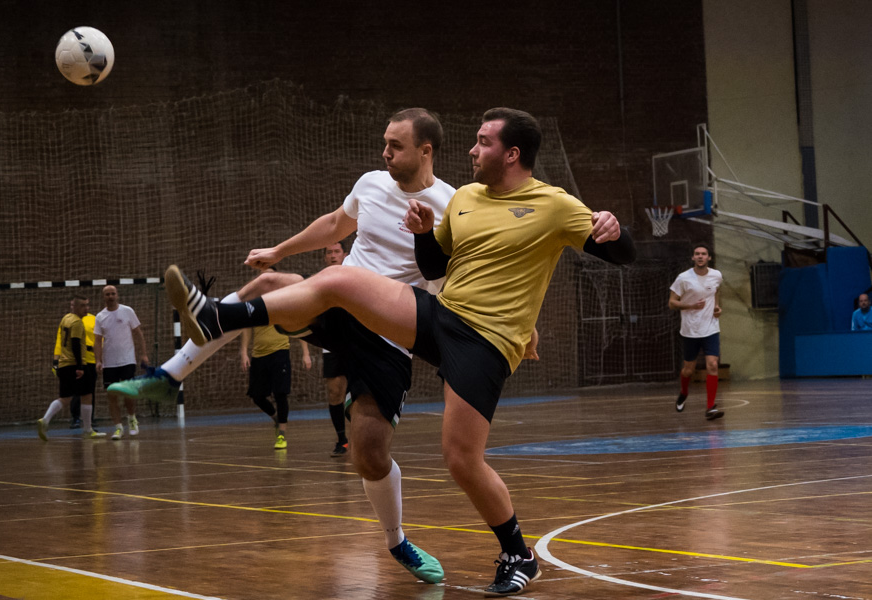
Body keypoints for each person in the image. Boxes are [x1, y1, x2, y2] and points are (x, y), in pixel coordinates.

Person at [165, 107, 634, 596]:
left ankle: (518, 553)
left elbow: (623, 254)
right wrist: (424, 232)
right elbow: (433, 266)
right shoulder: (466, 198)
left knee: (461, 459)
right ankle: (217, 316)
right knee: (340, 279)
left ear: (512, 154)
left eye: (483, 142)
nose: (472, 150)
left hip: (486, 341)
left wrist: (613, 229)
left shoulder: (553, 204)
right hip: (441, 315)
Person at [111, 108, 455, 585]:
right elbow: (334, 223)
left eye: (395, 146)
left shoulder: (451, 205)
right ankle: (170, 375)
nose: (385, 153)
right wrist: (279, 251)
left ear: (425, 150)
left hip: (389, 333)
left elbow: (463, 275)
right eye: (384, 142)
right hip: (339, 303)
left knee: (369, 455)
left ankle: (396, 540)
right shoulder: (372, 183)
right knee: (272, 282)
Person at [240, 275, 313, 450]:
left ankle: (282, 434)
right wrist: (243, 351)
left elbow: (298, 325)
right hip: (258, 355)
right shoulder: (254, 303)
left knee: (280, 394)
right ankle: (276, 418)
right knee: (257, 396)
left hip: (280, 352)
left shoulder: (283, 300)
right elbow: (247, 328)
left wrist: (306, 353)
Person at [38, 295, 107, 440]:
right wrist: (80, 366)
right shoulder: (77, 323)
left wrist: (57, 362)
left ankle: (45, 420)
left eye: (87, 305)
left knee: (65, 397)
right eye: (82, 305)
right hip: (77, 364)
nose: (86, 308)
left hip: (65, 364)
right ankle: (87, 429)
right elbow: (75, 344)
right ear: (73, 306)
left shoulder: (66, 319)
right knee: (87, 395)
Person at [669, 243, 724, 420]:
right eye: (697, 253)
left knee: (712, 365)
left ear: (709, 257)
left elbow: (716, 291)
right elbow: (672, 303)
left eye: (704, 253)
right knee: (688, 370)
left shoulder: (716, 275)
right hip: (690, 330)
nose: (700, 256)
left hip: (711, 328)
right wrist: (691, 305)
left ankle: (710, 407)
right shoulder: (683, 278)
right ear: (693, 257)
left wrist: (716, 307)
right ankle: (684, 392)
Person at [94, 285, 150, 440]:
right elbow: (97, 340)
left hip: (127, 360)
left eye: (113, 293)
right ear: (104, 297)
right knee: (112, 395)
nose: (110, 296)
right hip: (109, 363)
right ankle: (118, 427)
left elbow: (138, 333)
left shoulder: (127, 311)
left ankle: (132, 419)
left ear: (117, 295)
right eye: (107, 294)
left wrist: (144, 354)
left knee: (128, 393)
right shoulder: (100, 317)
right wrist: (98, 360)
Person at [321, 242, 350, 456]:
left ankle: (362, 436)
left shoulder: (355, 275)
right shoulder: (320, 281)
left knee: (358, 392)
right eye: (329, 252)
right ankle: (342, 440)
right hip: (331, 344)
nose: (332, 255)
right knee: (334, 392)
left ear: (345, 255)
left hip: (356, 343)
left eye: (336, 252)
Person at [56, 306, 97, 430]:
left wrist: (100, 358)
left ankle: (89, 420)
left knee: (89, 391)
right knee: (75, 391)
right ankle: (76, 418)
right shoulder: (69, 320)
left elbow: (99, 339)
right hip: (77, 360)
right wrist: (56, 358)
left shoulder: (93, 319)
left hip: (91, 359)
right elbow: (60, 340)